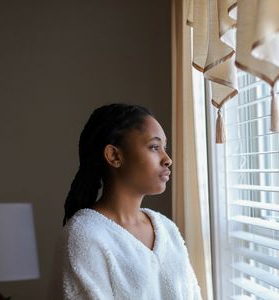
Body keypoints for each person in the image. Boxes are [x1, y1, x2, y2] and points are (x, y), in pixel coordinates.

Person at [57, 103, 202, 299]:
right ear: (114, 155)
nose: (167, 159)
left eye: (164, 148)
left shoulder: (167, 229)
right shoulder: (85, 234)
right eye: (154, 147)